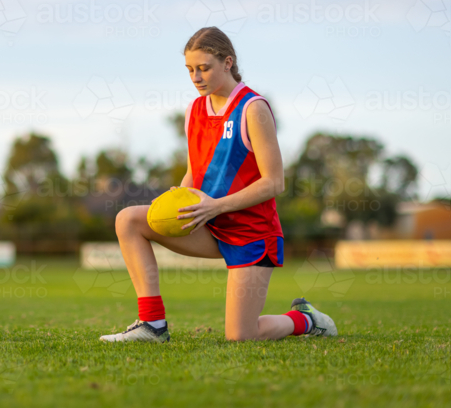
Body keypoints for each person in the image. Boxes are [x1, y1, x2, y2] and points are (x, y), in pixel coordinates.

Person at [100, 26, 337, 343]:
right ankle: (152, 324)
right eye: (189, 70)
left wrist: (216, 206)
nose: (196, 77)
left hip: (252, 234)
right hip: (209, 224)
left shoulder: (253, 108)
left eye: (204, 68)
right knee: (128, 219)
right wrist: (178, 196)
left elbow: (274, 182)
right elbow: (194, 171)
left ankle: (305, 319)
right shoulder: (194, 110)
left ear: (227, 62)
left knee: (241, 336)